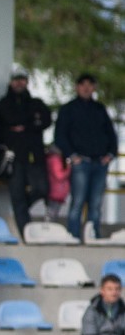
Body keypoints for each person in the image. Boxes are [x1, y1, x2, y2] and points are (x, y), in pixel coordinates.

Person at [54, 73, 119, 239]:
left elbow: (112, 135)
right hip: (80, 162)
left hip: (100, 163)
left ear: (94, 88)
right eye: (83, 84)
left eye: (90, 84)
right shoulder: (68, 109)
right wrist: (72, 156)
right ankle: (74, 237)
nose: (86, 88)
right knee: (77, 202)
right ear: (77, 87)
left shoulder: (100, 109)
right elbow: (60, 136)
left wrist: (110, 154)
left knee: (96, 205)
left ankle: (93, 237)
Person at [0, 70, 52, 238]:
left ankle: (22, 212)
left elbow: (46, 120)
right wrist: (30, 123)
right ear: (10, 82)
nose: (19, 83)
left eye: (22, 80)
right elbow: (5, 122)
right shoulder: (4, 103)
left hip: (34, 157)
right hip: (13, 158)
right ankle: (25, 235)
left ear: (27, 82)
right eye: (16, 80)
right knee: (17, 195)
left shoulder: (36, 103)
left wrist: (25, 126)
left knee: (42, 188)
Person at [46, 145, 70, 220]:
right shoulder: (55, 160)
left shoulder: (50, 159)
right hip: (56, 191)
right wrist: (69, 168)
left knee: (52, 212)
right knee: (52, 213)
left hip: (55, 191)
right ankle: (48, 228)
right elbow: (59, 176)